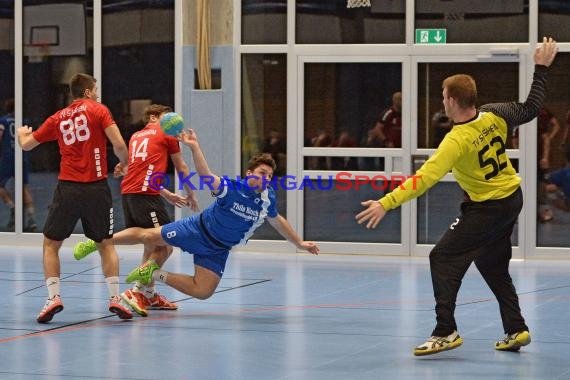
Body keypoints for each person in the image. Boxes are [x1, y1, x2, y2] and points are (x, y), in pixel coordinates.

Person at [356, 37, 558, 356]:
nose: (442, 101)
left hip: (488, 207)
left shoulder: (455, 140)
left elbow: (424, 179)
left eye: (442, 96)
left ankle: (445, 331)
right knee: (492, 264)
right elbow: (532, 107)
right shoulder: (495, 115)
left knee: (442, 256)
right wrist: (541, 69)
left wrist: (386, 201)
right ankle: (516, 328)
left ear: (450, 100)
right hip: (511, 199)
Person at [74, 129, 320, 303]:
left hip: (218, 249)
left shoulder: (267, 198)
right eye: (262, 173)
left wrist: (298, 243)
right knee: (149, 235)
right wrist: (194, 147)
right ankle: (98, 240)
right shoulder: (231, 188)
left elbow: (278, 221)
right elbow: (205, 174)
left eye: (269, 175)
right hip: (197, 230)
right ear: (249, 173)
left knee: (203, 291)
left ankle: (152, 273)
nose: (266, 178)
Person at [17, 73, 133, 323]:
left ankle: (53, 297)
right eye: (96, 89)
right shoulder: (98, 110)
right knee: (106, 244)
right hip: (96, 188)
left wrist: (21, 134)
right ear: (88, 92)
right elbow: (119, 144)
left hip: (68, 187)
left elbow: (26, 145)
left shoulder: (57, 117)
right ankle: (115, 298)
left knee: (50, 243)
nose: (98, 93)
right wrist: (125, 165)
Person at [83, 104, 200, 317]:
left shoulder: (136, 135)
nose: (171, 120)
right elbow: (181, 167)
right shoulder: (166, 132)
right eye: (166, 116)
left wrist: (167, 194)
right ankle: (136, 289)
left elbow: (138, 171)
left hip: (131, 193)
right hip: (144, 195)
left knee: (150, 243)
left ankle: (148, 292)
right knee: (166, 245)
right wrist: (191, 193)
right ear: (154, 117)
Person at [0, 98, 37, 231]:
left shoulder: (3, 120)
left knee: (0, 186)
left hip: (8, 157)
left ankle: (13, 208)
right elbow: (30, 139)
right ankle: (32, 219)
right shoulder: (24, 122)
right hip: (22, 156)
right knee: (24, 188)